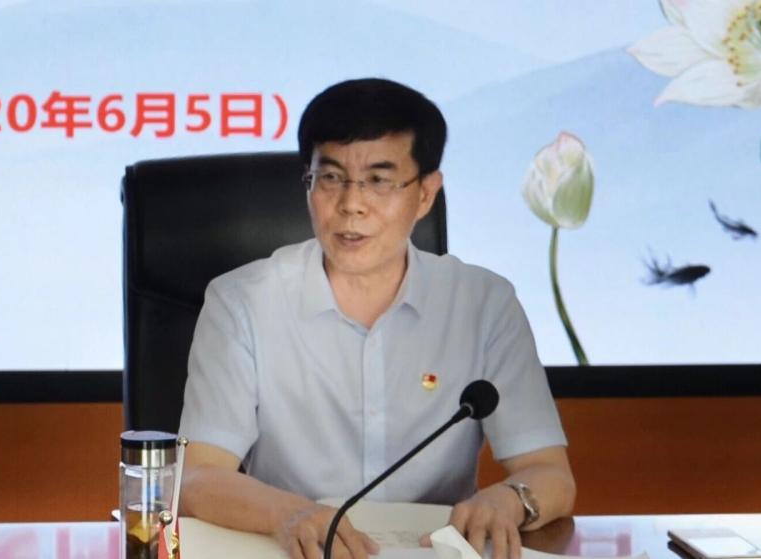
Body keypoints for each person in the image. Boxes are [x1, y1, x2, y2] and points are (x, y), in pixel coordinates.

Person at [177, 78, 576, 559]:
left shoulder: (483, 304)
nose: (351, 204)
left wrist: (508, 500)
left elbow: (550, 474)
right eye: (331, 177)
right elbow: (198, 477)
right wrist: (288, 514)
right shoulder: (242, 302)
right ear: (308, 182)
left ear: (425, 194)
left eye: (379, 180)